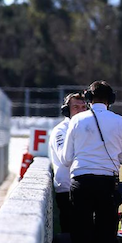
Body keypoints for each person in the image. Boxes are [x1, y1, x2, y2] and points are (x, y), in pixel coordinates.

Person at [60, 80, 122, 243]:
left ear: (88, 99)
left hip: (81, 182)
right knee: (106, 236)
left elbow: (66, 158)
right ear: (111, 100)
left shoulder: (78, 120)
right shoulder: (120, 121)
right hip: (107, 183)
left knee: (81, 235)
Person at [48, 92, 87, 233]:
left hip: (85, 189)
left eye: (84, 107)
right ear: (66, 110)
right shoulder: (60, 131)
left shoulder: (88, 129)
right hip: (67, 190)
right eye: (76, 107)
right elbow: (65, 158)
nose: (81, 110)